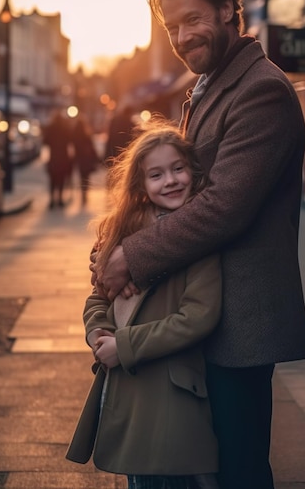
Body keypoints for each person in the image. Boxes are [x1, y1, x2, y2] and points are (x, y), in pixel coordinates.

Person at [92, 0, 305, 488]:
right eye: (172, 27)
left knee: (238, 469)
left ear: (227, 10)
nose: (183, 36)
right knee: (198, 466)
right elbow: (181, 193)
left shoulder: (261, 89)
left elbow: (224, 206)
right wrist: (117, 240)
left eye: (193, 20)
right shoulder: (209, 85)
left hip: (241, 320)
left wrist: (133, 256)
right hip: (203, 311)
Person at [67, 121, 221, 489]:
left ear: (193, 171)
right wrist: (98, 330)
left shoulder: (199, 239)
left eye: (178, 168)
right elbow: (97, 297)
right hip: (127, 389)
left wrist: (125, 345)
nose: (170, 180)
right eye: (156, 174)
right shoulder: (123, 236)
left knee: (168, 477)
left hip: (170, 393)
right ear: (141, 185)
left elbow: (199, 316)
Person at [43, 110, 73, 209]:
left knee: (52, 179)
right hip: (63, 157)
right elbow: (70, 141)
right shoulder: (65, 129)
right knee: (61, 179)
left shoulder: (50, 128)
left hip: (53, 157)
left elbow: (45, 141)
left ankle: (52, 200)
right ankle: (59, 199)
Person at [72, 114, 99, 206]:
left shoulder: (75, 135)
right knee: (86, 177)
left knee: (81, 176)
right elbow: (92, 147)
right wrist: (96, 158)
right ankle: (85, 194)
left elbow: (74, 147)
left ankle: (83, 194)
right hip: (86, 159)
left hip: (80, 159)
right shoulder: (87, 134)